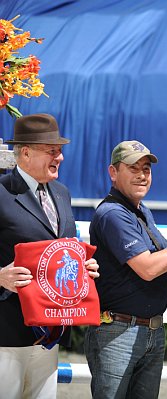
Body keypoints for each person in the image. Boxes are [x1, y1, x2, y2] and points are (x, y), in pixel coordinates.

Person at [84, 140, 167, 399]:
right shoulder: (113, 214)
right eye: (133, 168)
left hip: (150, 330)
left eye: (146, 169)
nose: (142, 175)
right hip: (117, 332)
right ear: (113, 172)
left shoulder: (141, 212)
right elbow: (149, 268)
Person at [0, 113, 100, 399]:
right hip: (7, 330)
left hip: (51, 330)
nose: (61, 158)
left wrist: (83, 267)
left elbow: (62, 248)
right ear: (26, 153)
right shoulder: (2, 193)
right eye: (52, 151)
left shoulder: (62, 193)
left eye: (60, 151)